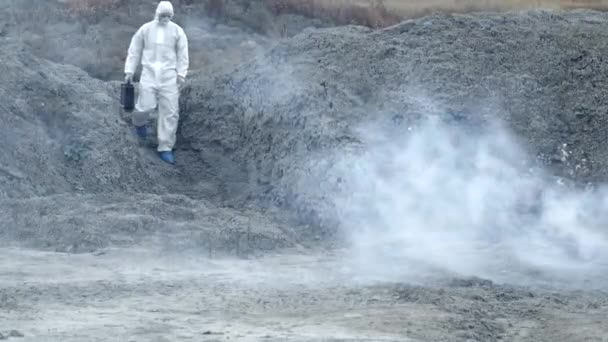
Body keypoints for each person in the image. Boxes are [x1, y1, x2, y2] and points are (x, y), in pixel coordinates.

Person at [124, 1, 189, 165]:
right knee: (145, 106)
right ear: (157, 13)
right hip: (149, 74)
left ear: (172, 15)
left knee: (170, 112)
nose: (165, 18)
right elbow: (134, 50)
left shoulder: (177, 31)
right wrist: (130, 71)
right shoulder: (145, 29)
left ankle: (165, 147)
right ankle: (139, 124)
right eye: (163, 15)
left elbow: (183, 54)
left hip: (169, 76)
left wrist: (181, 74)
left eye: (169, 15)